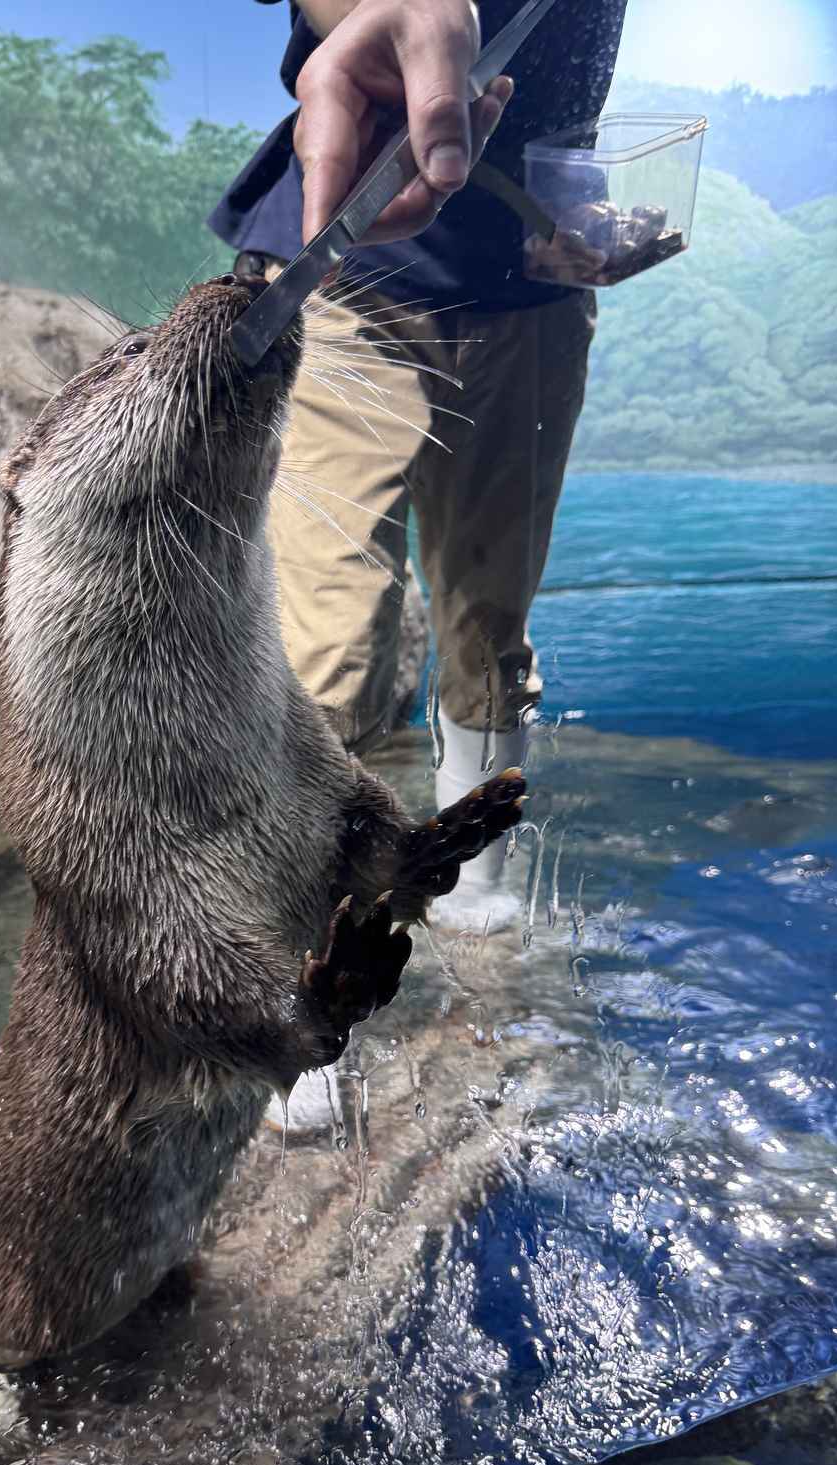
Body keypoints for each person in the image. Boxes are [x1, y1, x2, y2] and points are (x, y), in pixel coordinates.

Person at [210, 0, 627, 936]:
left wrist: (589, 209)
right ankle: (307, 937)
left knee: (490, 622)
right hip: (349, 264)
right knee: (330, 636)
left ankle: (478, 904)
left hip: (532, 280)